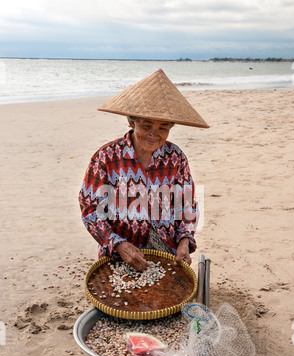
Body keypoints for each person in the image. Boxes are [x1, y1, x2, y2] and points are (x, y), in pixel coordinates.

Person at [78, 69, 209, 271]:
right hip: (119, 251)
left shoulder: (176, 158)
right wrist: (117, 243)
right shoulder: (106, 157)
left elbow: (187, 204)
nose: (153, 135)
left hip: (167, 250)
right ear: (132, 122)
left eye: (162, 128)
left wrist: (184, 239)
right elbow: (90, 209)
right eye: (146, 125)